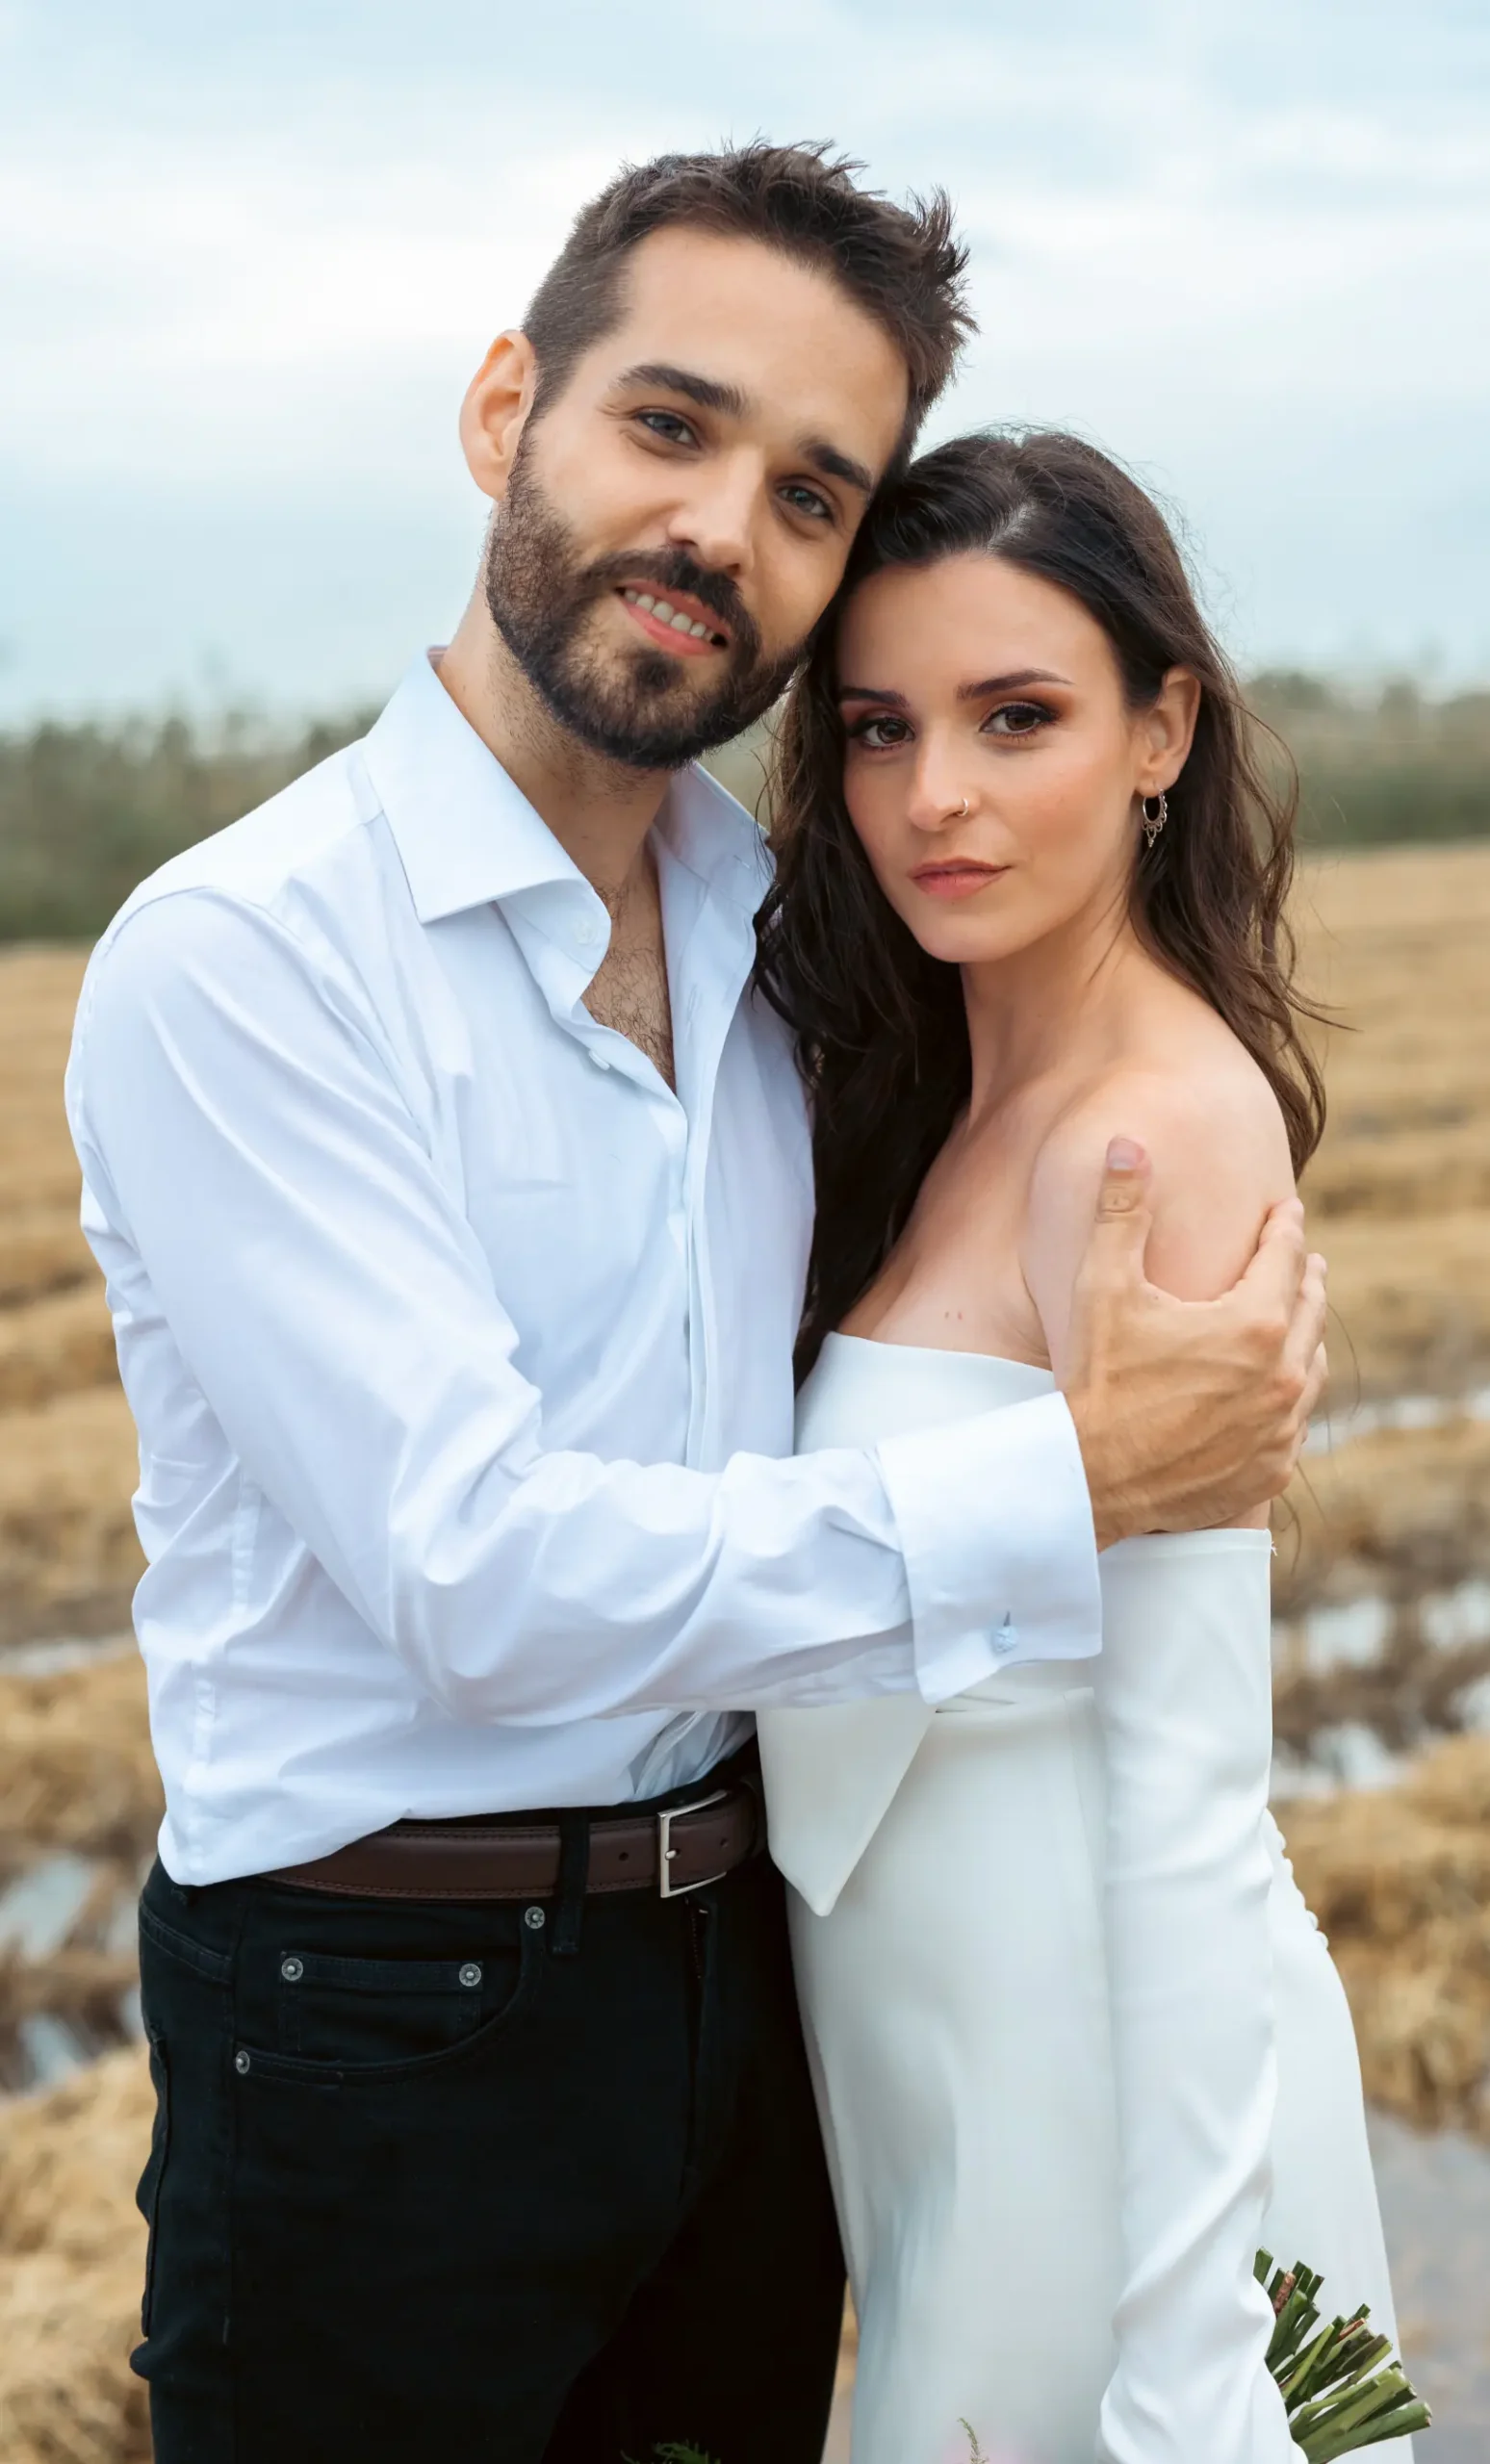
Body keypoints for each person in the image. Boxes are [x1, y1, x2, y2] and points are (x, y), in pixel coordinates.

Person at [65, 148, 1326, 2464]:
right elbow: (473, 1572)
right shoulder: (248, 958)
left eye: (809, 492)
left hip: (756, 2005)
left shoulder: (800, 950)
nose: (721, 527)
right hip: (380, 2019)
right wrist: (1061, 1482)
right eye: (668, 424)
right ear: (503, 410)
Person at [755, 428, 1404, 2464]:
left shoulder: (1152, 1133)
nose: (931, 795)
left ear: (1161, 733)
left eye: (1014, 716)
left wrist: (1192, 2372)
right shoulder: (944, 1102)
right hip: (940, 2066)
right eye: (879, 728)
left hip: (1106, 2105)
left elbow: (1197, 1801)